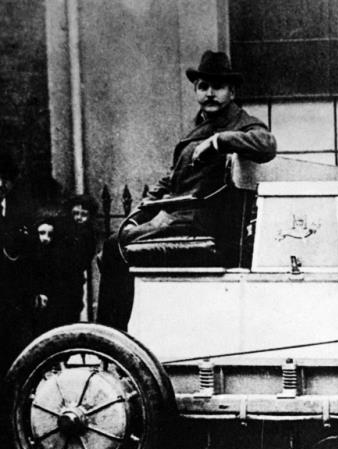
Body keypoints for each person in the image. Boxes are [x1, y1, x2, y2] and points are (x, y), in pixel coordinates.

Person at [96, 51, 277, 330]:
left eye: (218, 86)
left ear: (232, 92)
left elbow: (267, 144)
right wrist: (139, 214)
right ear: (195, 91)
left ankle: (111, 338)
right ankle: (118, 335)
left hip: (209, 227)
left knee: (114, 248)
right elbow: (171, 180)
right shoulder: (198, 127)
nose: (210, 93)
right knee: (115, 245)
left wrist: (219, 141)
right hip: (180, 221)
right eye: (203, 86)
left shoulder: (241, 123)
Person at [0, 151, 35, 370]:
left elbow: (33, 255)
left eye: (5, 179)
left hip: (14, 294)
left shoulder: (22, 211)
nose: (0, 184)